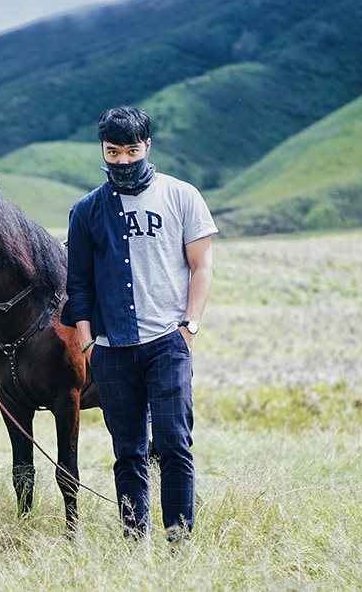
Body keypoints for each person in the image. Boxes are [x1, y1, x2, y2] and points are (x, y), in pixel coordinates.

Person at [61, 105, 218, 542]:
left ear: (147, 145)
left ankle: (178, 543)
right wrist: (89, 341)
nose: (124, 161)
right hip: (111, 351)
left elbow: (202, 265)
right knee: (127, 453)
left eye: (132, 150)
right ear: (103, 151)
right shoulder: (87, 210)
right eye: (114, 152)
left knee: (173, 445)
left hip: (168, 341)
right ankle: (135, 545)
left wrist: (189, 327)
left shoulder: (181, 195)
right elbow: (79, 282)